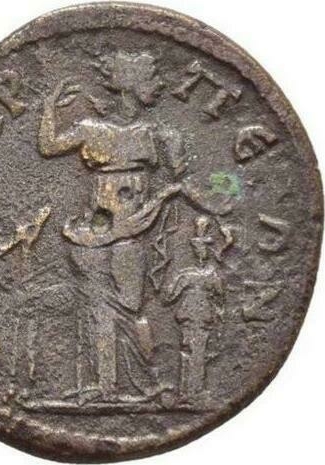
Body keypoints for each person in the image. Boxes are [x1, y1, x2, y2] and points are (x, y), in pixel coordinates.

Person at [38, 51, 184, 404]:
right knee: (97, 305)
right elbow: (48, 147)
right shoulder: (94, 130)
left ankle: (140, 383)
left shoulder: (156, 133)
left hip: (133, 227)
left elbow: (179, 172)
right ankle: (103, 386)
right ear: (130, 85)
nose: (158, 85)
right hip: (96, 230)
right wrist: (49, 107)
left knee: (129, 305)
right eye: (151, 78)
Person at [164, 216, 224, 404]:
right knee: (190, 351)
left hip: (200, 317)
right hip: (190, 317)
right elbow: (169, 297)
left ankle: (193, 391)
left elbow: (220, 298)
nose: (200, 253)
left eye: (203, 249)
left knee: (196, 352)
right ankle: (187, 391)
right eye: (197, 249)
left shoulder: (204, 276)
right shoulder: (190, 275)